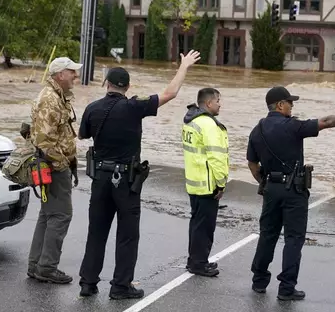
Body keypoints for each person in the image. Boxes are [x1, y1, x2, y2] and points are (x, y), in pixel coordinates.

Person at [77, 50, 201, 300]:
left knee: (97, 232)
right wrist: (184, 65)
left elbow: (81, 136)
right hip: (126, 182)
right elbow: (170, 93)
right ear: (128, 86)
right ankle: (120, 286)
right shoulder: (135, 106)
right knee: (127, 234)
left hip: (100, 179)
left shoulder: (92, 108)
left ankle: (88, 283)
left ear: (106, 84)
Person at [246, 86, 335, 301]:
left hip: (271, 189)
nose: (292, 105)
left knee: (267, 235)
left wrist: (266, 183)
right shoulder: (293, 126)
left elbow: (251, 163)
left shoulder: (257, 130)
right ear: (280, 105)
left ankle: (259, 281)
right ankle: (286, 288)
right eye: (289, 102)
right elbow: (328, 121)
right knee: (293, 239)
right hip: (293, 191)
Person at [27, 56, 83, 284]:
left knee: (48, 215)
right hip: (53, 166)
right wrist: (63, 166)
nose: (75, 76)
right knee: (60, 216)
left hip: (49, 165)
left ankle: (37, 265)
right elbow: (44, 140)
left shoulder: (56, 96)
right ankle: (47, 267)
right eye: (72, 72)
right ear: (60, 75)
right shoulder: (50, 99)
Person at [182, 88, 228, 277]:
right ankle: (199, 263)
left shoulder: (191, 121)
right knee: (205, 227)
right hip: (208, 184)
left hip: (194, 182)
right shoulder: (208, 125)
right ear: (208, 103)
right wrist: (221, 183)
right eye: (218, 100)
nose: (220, 104)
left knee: (197, 224)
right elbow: (216, 156)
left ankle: (194, 259)